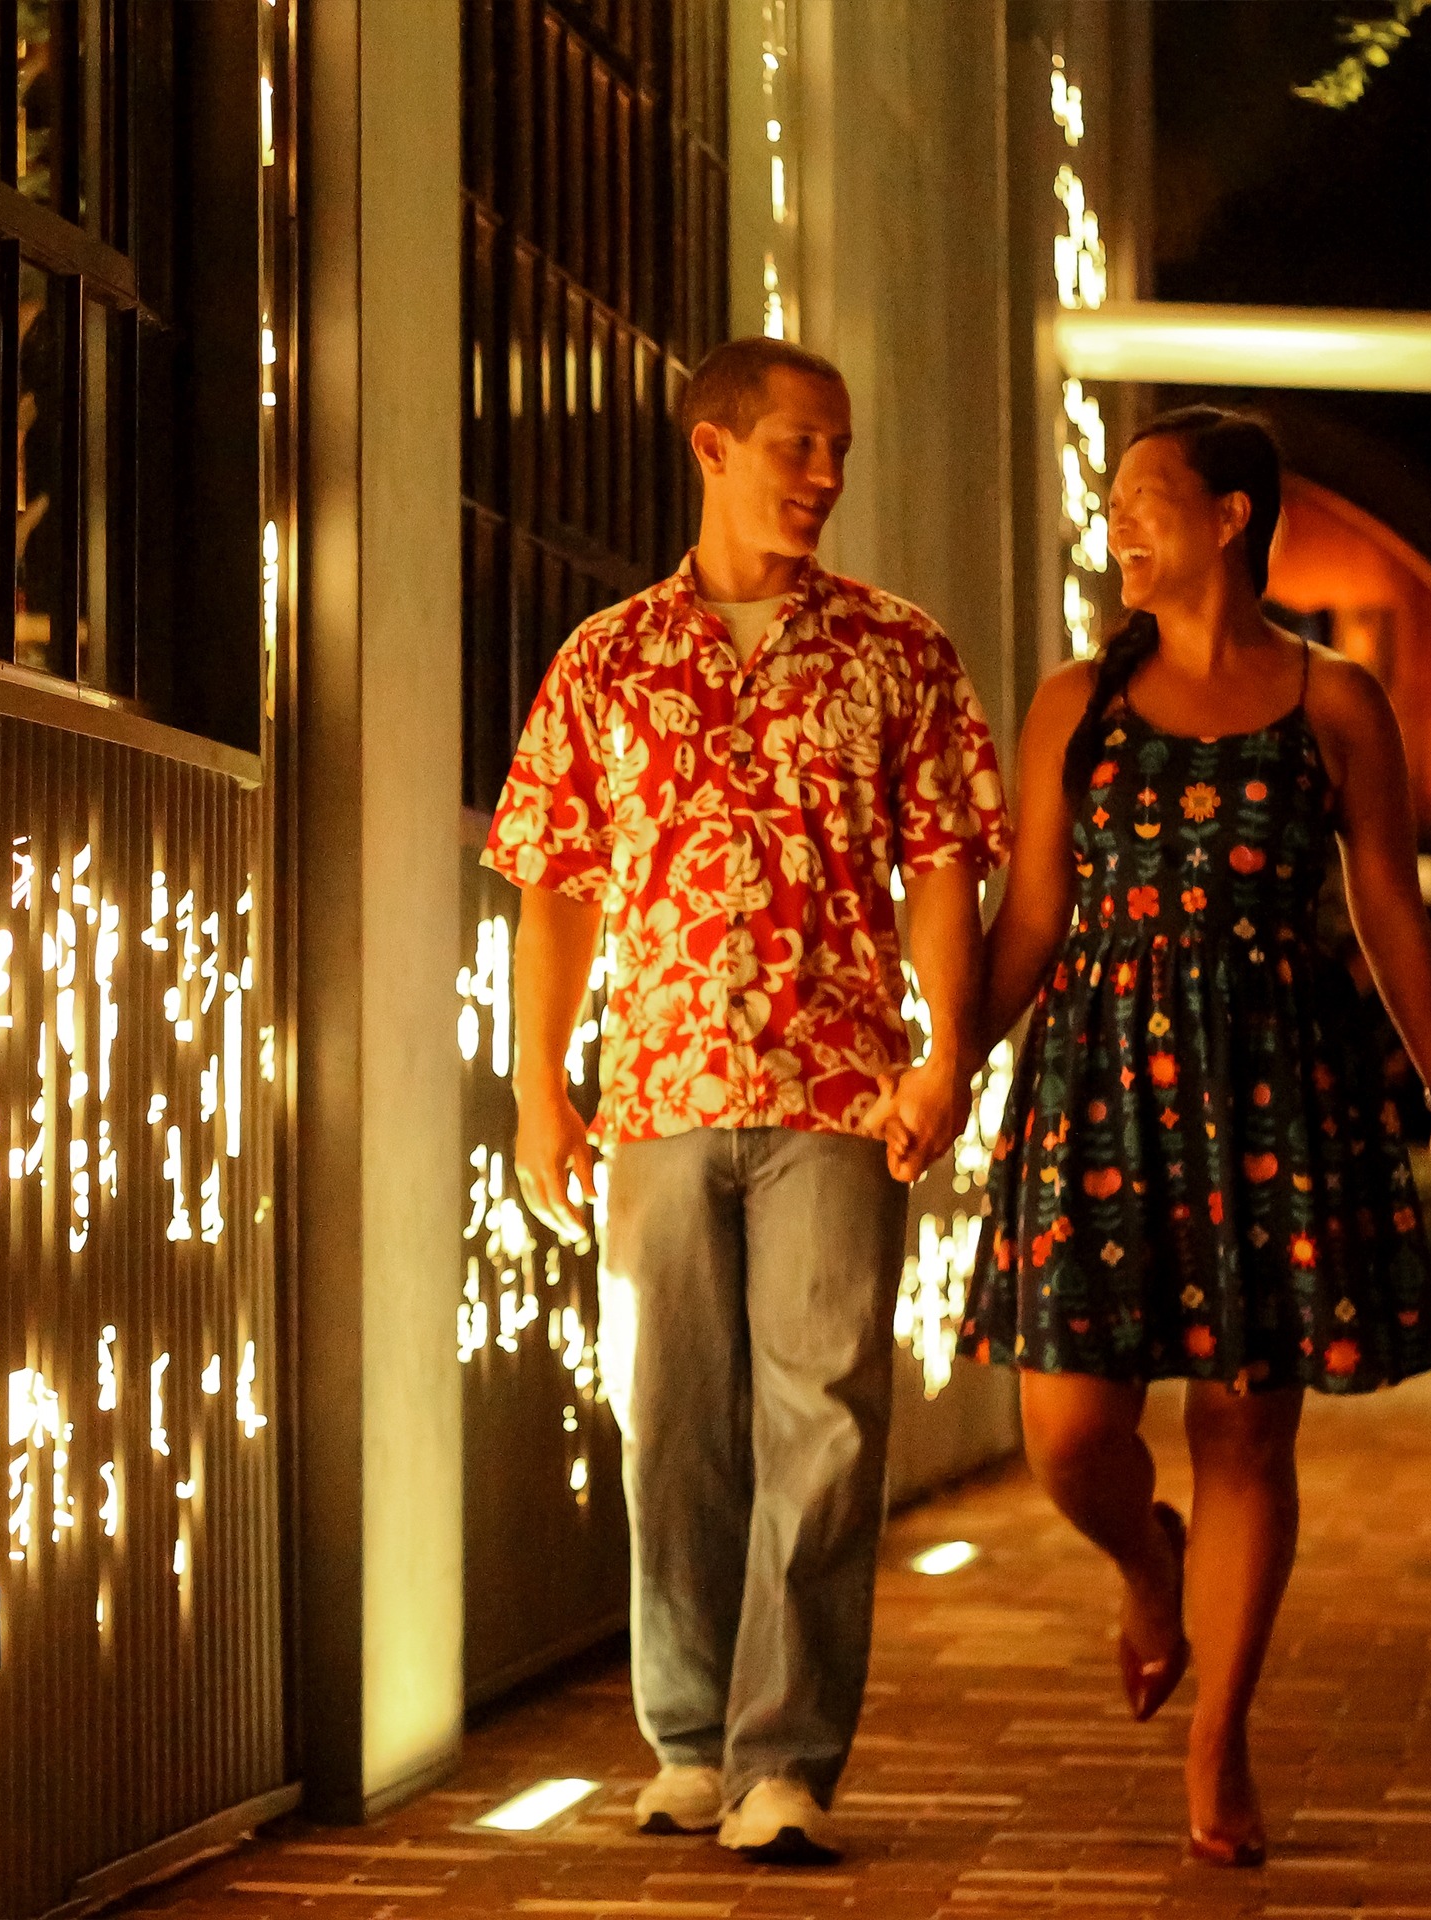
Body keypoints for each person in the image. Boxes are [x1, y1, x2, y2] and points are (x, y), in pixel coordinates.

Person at [489, 336, 1007, 1866]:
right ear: (712, 446)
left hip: (840, 1089)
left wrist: (943, 1053)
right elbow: (556, 890)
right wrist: (540, 1095)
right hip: (652, 1090)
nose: (827, 474)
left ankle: (786, 1758)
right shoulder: (605, 659)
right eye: (799, 443)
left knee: (829, 1423)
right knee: (669, 1428)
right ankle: (690, 1741)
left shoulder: (898, 652)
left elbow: (944, 864)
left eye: (840, 446)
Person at [957, 406, 1431, 1870]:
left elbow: (1387, 909)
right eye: (1114, 503)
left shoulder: (1334, 702)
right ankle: (1148, 1566)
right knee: (1068, 1429)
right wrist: (948, 1071)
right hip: (1097, 1078)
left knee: (1246, 1426)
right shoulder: (1075, 700)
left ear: (1232, 518)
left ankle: (1220, 1736)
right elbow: (1035, 924)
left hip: (1274, 1083)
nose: (1118, 525)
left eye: (1145, 501)